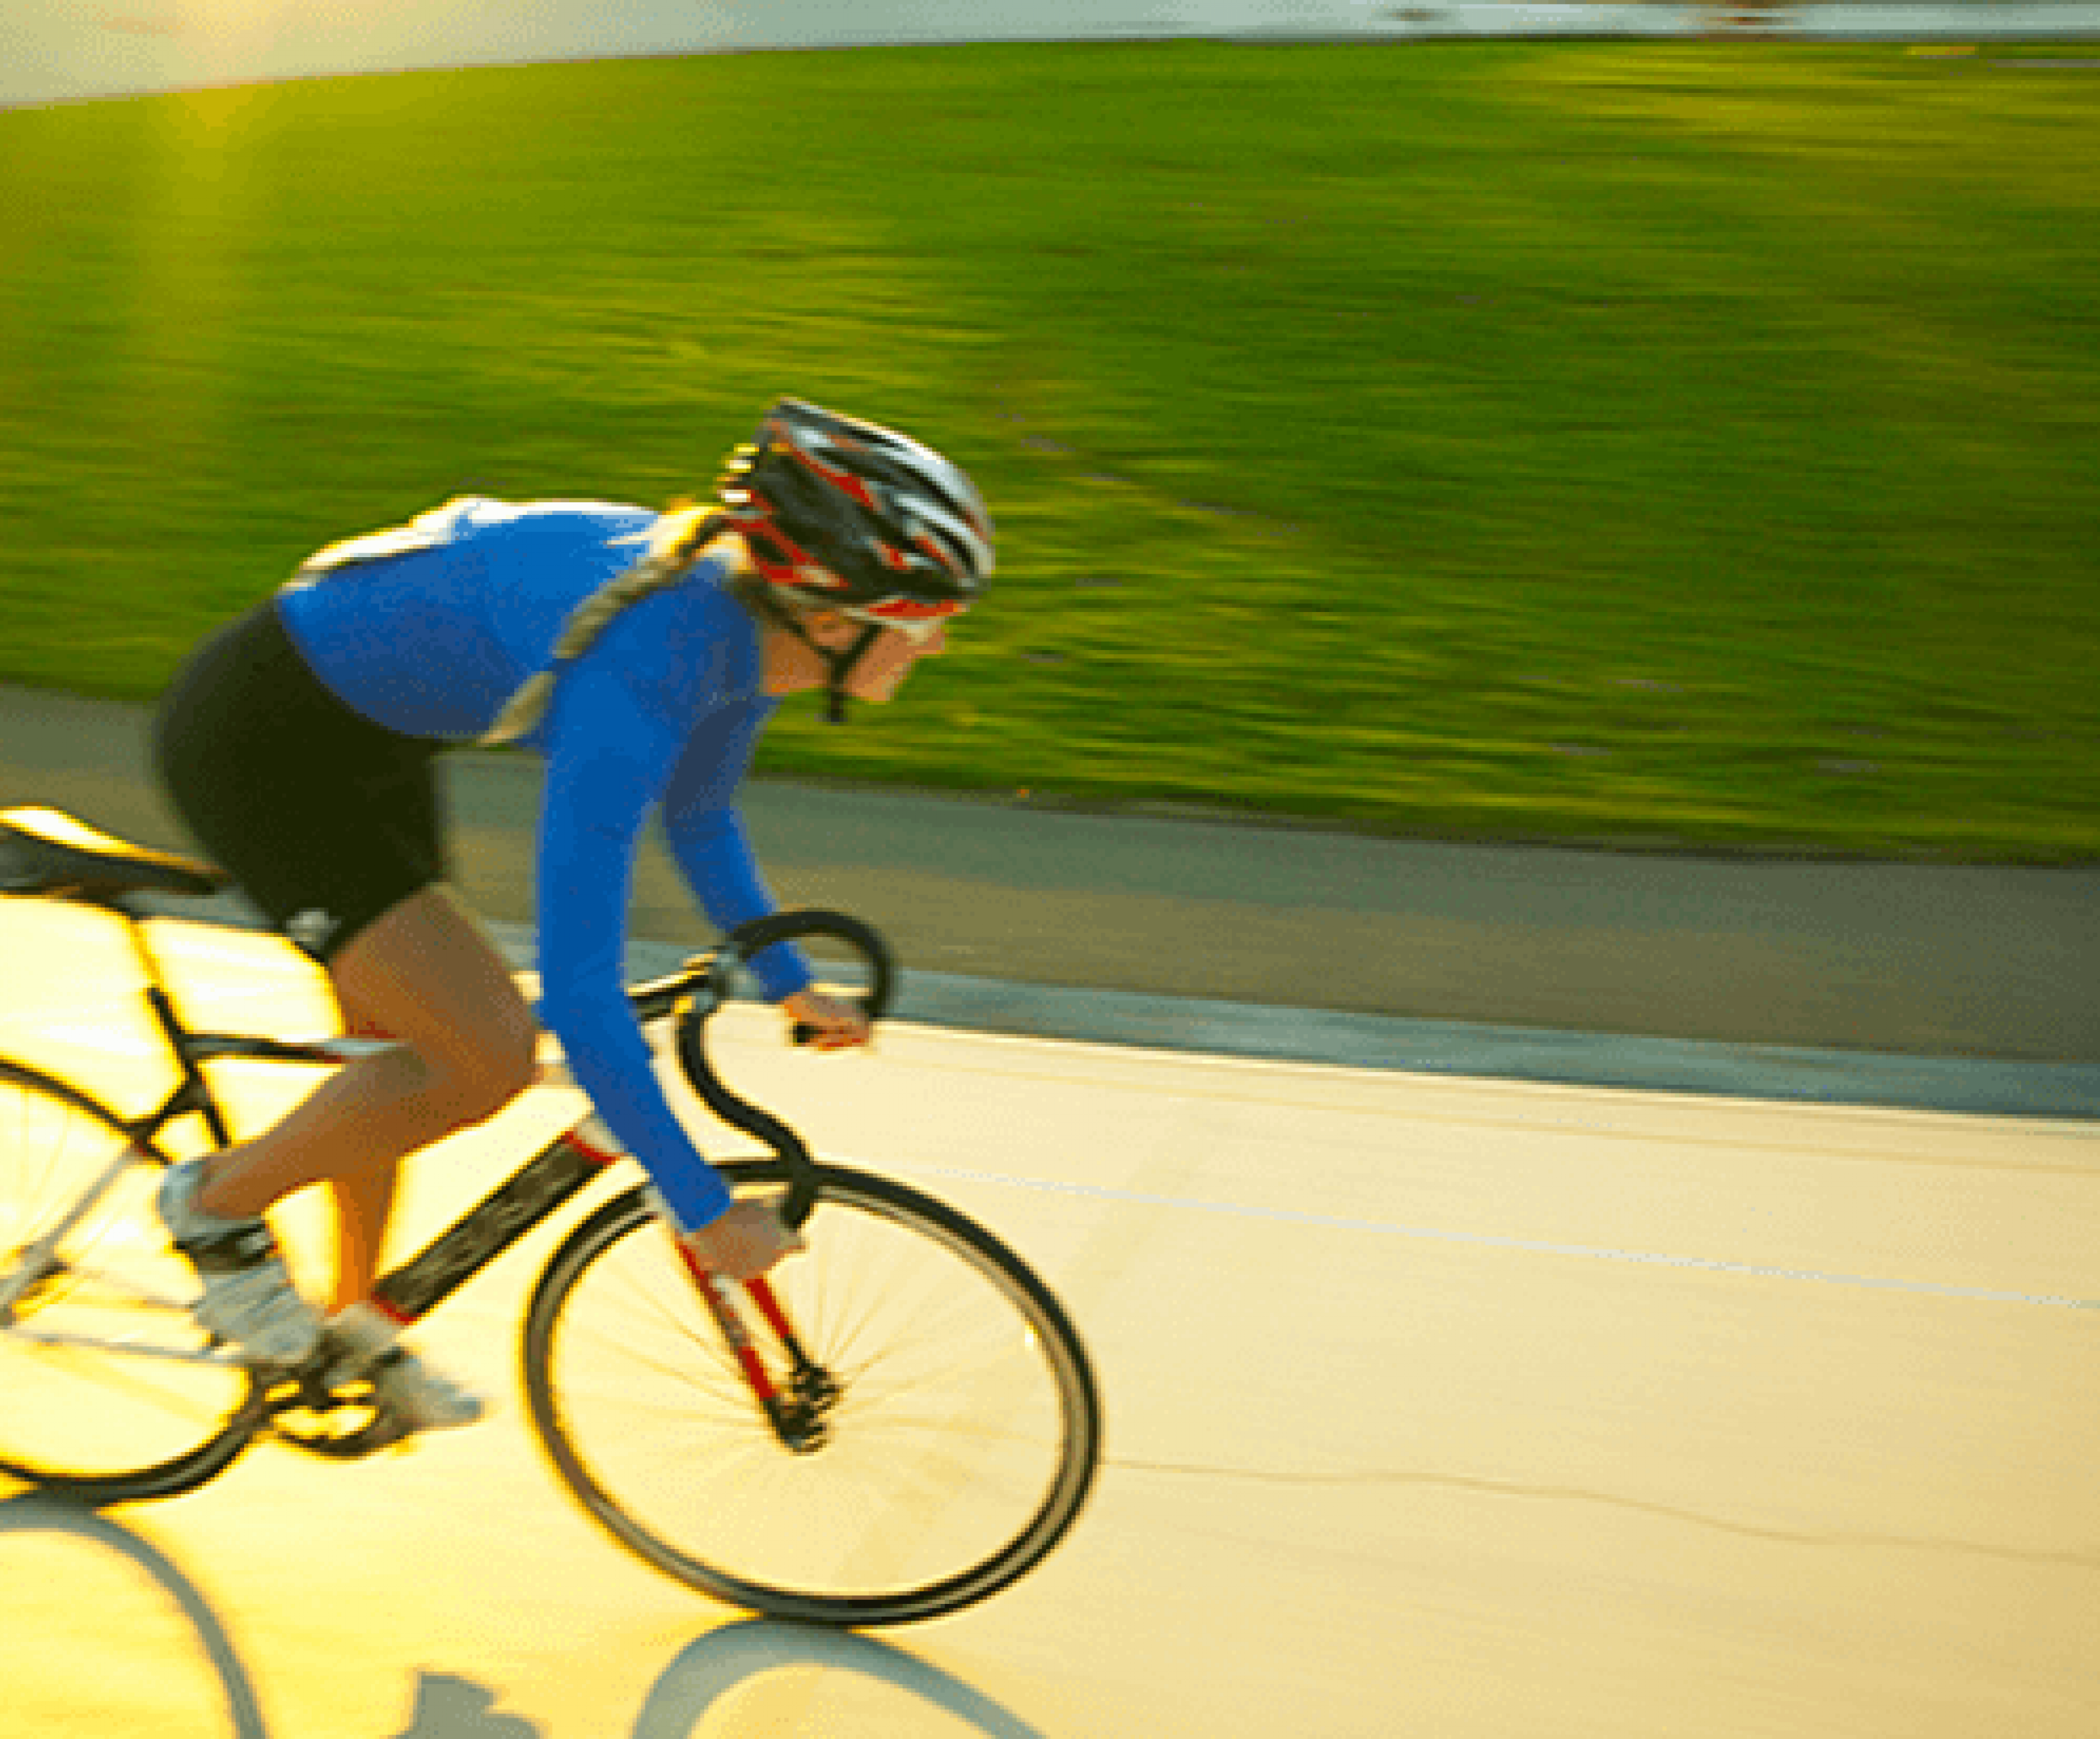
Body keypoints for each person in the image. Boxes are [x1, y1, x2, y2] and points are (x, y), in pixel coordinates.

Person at [149, 398, 994, 1432]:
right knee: (485, 1054)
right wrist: (706, 1210)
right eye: (926, 621)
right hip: (261, 744)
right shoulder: (641, 672)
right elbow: (583, 990)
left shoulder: (743, 632)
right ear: (831, 616)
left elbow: (701, 814)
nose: (940, 645)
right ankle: (214, 1209)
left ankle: (350, 1328)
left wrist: (789, 982)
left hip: (369, 739)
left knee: (403, 1042)